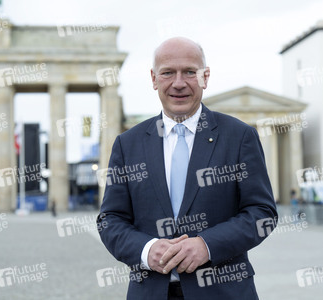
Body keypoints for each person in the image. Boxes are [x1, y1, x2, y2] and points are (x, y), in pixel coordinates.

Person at [97, 37, 277, 300]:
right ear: (153, 79)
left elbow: (263, 213)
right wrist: (147, 250)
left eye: (189, 72)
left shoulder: (239, 137)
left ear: (205, 77)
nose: (178, 83)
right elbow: (110, 220)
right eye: (168, 72)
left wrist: (207, 245)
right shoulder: (128, 144)